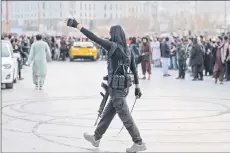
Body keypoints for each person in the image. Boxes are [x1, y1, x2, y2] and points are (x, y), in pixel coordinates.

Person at [66, 18, 146, 153]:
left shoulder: (112, 47)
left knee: (125, 116)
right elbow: (134, 69)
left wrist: (78, 26)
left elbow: (94, 37)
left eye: (110, 34)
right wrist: (137, 87)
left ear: (114, 35)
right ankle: (96, 138)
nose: (109, 36)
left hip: (116, 89)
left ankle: (138, 142)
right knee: (108, 114)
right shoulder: (128, 51)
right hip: (122, 88)